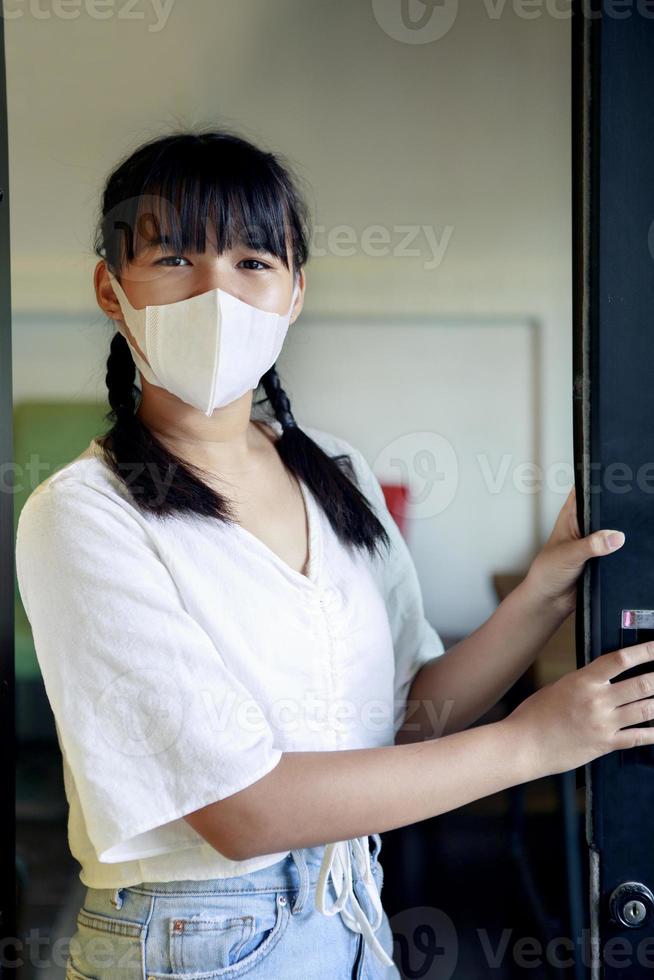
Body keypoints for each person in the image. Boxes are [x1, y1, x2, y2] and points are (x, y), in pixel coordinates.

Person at [15, 129, 654, 980]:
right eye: (174, 259)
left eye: (252, 262)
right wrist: (533, 746)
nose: (217, 296)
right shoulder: (82, 515)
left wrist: (543, 591)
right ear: (110, 287)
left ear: (295, 292)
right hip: (193, 941)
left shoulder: (336, 476)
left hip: (348, 912)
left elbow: (410, 713)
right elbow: (243, 812)